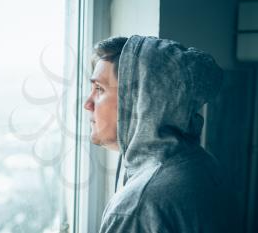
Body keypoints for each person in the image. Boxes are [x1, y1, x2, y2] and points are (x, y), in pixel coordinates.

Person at [84, 35, 238, 233]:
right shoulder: (204, 165)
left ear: (139, 101)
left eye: (99, 89)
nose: (87, 103)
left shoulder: (138, 206)